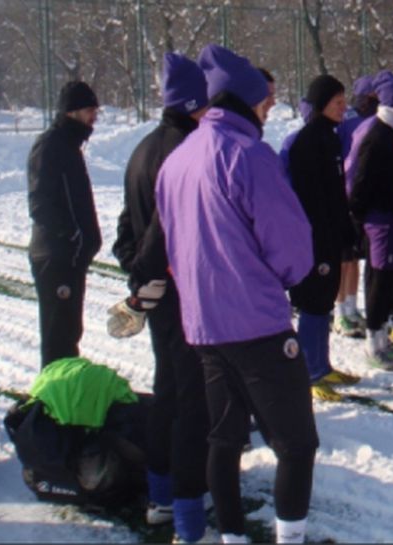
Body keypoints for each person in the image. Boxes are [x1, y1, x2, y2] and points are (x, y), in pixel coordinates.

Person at [155, 44, 318, 544]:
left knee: (224, 437)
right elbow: (290, 245)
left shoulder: (177, 160)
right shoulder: (248, 154)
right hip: (257, 324)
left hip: (204, 326)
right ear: (245, 101)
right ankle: (290, 537)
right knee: (295, 443)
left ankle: (232, 536)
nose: (269, 109)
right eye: (265, 101)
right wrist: (284, 277)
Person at [109, 52, 211, 541]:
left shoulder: (144, 147)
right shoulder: (184, 151)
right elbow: (160, 231)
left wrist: (138, 277)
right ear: (194, 104)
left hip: (160, 289)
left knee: (169, 387)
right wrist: (151, 274)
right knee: (188, 398)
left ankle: (161, 490)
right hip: (180, 291)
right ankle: (180, 502)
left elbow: (125, 229)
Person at [286, 74, 362, 402]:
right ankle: (308, 371)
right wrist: (320, 233)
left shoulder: (331, 138)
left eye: (345, 102)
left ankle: (322, 363)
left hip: (331, 233)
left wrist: (345, 229)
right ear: (321, 105)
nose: (344, 108)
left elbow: (336, 192)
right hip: (313, 237)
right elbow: (310, 197)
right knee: (313, 303)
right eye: (338, 103)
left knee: (326, 302)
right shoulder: (306, 142)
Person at [26, 80, 102, 368]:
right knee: (58, 336)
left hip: (70, 258)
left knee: (69, 331)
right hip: (55, 256)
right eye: (88, 109)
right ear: (71, 112)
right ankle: (53, 401)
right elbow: (40, 204)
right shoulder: (50, 146)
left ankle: (66, 394)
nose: (93, 115)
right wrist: (72, 237)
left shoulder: (70, 146)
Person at [348, 74, 393, 370]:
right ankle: (373, 342)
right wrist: (360, 217)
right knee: (380, 278)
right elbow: (361, 181)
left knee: (390, 276)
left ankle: (384, 336)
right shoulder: (378, 135)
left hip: (391, 215)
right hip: (380, 219)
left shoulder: (392, 131)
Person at [333, 74, 379, 339]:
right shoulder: (348, 121)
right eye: (369, 97)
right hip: (345, 196)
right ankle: (340, 311)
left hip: (363, 197)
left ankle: (351, 306)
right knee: (343, 258)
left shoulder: (369, 121)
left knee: (355, 256)